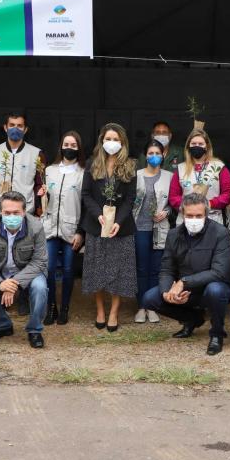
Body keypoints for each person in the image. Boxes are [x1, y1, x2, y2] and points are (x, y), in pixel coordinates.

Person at [141, 194, 230, 355]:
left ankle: (217, 334)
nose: (194, 219)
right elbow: (166, 269)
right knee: (150, 298)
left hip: (212, 287)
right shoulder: (173, 234)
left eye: (199, 215)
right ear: (182, 214)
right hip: (185, 290)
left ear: (206, 214)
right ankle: (192, 319)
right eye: (189, 215)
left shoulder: (220, 233)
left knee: (215, 290)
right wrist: (166, 292)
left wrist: (183, 282)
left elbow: (219, 272)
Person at [81, 123, 138, 332]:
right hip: (96, 227)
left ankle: (114, 311)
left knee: (119, 271)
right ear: (101, 141)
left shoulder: (130, 166)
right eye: (108, 139)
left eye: (115, 139)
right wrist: (98, 215)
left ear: (122, 142)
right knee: (97, 270)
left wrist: (117, 221)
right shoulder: (92, 164)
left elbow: (130, 199)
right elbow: (86, 194)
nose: (111, 143)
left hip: (121, 228)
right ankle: (100, 311)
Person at [0, 191, 48, 348]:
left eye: (16, 212)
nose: (11, 216)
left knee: (40, 288)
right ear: (0, 211)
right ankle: (3, 325)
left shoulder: (36, 227)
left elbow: (39, 261)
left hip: (28, 271)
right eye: (7, 212)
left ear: (24, 212)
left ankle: (34, 330)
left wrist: (14, 283)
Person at [41, 131, 86, 326]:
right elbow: (43, 201)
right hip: (50, 227)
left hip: (71, 229)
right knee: (49, 269)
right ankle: (51, 307)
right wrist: (40, 195)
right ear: (61, 146)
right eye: (66, 144)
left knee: (68, 270)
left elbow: (86, 205)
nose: (69, 148)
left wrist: (81, 232)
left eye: (73, 145)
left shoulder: (84, 173)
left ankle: (65, 307)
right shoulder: (49, 170)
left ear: (79, 148)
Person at [133, 140, 174, 323]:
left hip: (161, 228)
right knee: (141, 268)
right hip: (140, 228)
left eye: (157, 153)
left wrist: (166, 212)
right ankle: (142, 306)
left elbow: (174, 202)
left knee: (156, 269)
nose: (154, 156)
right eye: (150, 153)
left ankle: (152, 306)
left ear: (163, 154)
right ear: (145, 155)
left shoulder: (170, 177)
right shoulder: (136, 175)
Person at [168, 128, 230, 226]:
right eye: (193, 144)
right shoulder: (180, 168)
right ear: (188, 146)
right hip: (186, 220)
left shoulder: (219, 167)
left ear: (207, 146)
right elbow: (173, 197)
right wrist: (189, 204)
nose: (197, 146)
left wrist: (210, 203)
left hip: (212, 220)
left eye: (201, 144)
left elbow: (227, 195)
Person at [0, 113, 45, 210]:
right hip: (0, 210)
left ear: (25, 129)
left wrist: (38, 209)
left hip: (26, 211)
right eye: (12, 125)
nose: (15, 129)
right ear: (5, 128)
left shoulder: (36, 154)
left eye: (19, 126)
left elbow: (40, 184)